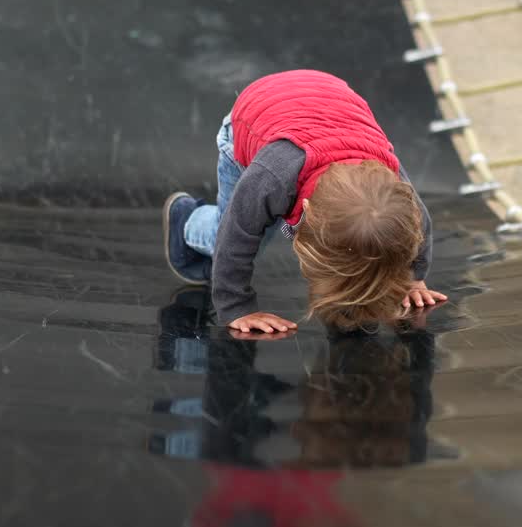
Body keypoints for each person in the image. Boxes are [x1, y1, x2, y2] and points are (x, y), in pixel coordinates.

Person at [162, 70, 446, 334]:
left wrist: (412, 278)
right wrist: (236, 307)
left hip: (325, 101)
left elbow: (420, 228)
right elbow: (236, 232)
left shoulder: (392, 182)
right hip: (253, 122)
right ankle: (185, 218)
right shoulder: (272, 174)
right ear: (306, 208)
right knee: (228, 237)